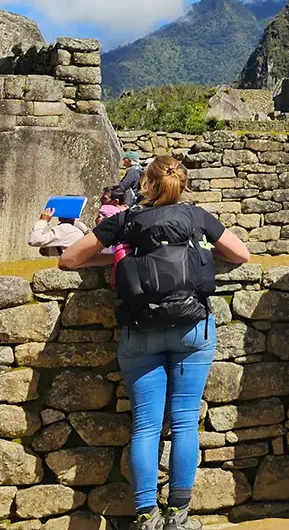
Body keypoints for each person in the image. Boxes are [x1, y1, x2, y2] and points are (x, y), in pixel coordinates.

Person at [59, 155, 251, 530]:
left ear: (145, 184)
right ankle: (178, 515)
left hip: (140, 329)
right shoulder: (196, 217)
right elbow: (241, 254)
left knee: (145, 427)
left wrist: (117, 256)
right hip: (192, 329)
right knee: (183, 424)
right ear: (183, 184)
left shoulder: (126, 220)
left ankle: (147, 516)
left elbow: (69, 259)